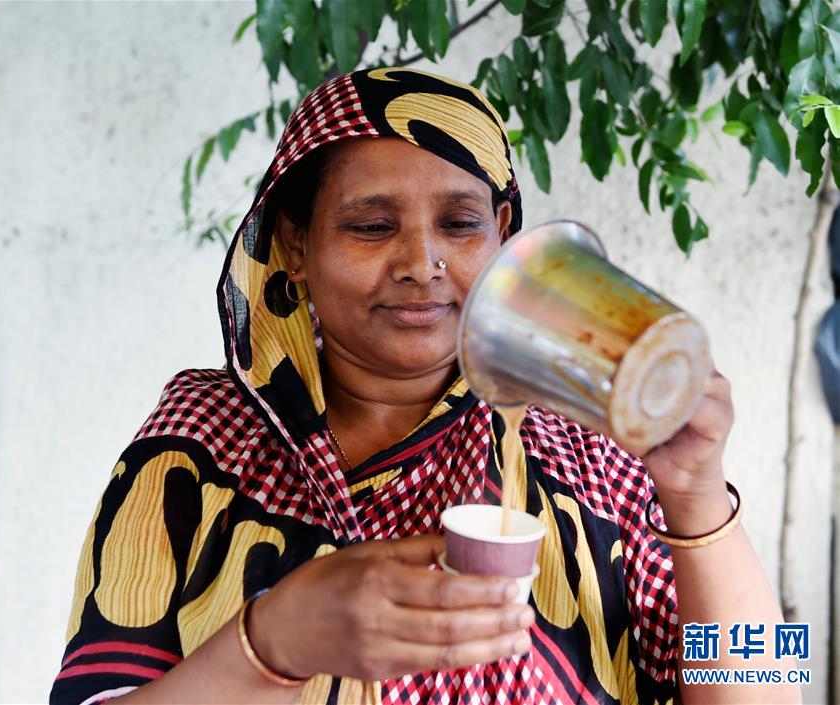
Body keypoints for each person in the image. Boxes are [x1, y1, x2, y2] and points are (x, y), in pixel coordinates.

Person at [50, 67, 798, 705]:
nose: (421, 262)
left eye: (461, 223)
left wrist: (699, 494)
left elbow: (775, 682)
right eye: (372, 226)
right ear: (295, 244)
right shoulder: (202, 440)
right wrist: (272, 639)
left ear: (503, 230)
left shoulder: (590, 435)